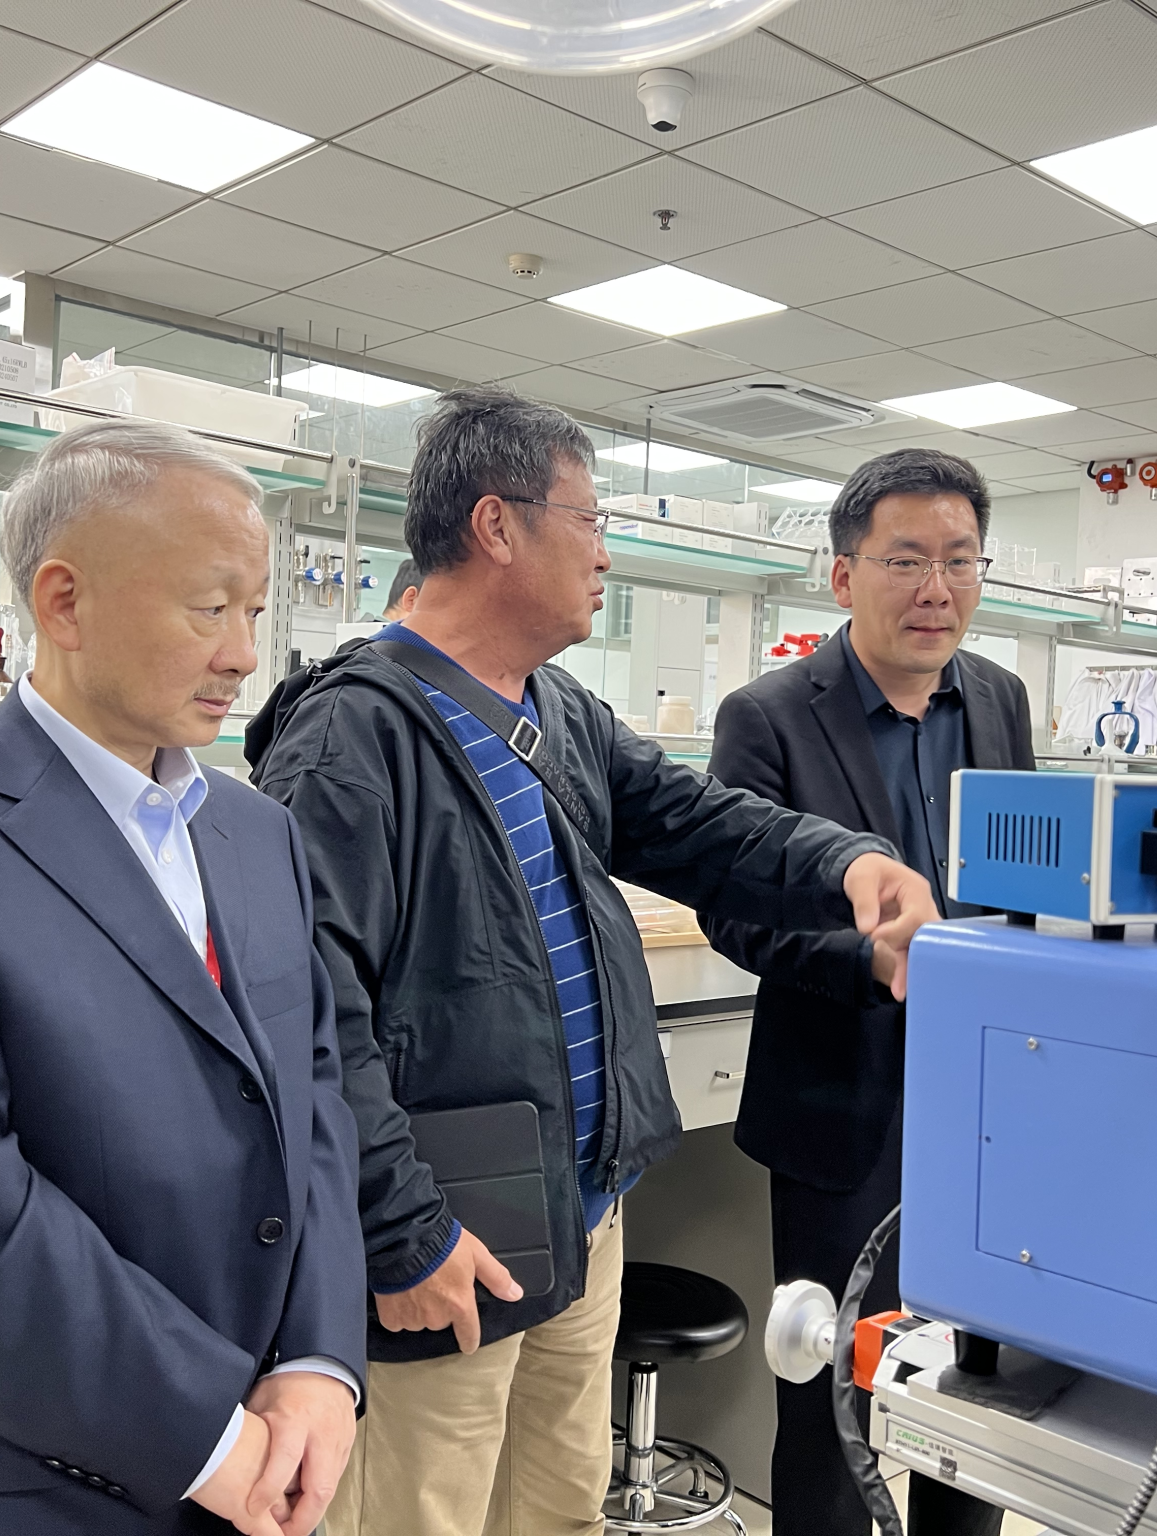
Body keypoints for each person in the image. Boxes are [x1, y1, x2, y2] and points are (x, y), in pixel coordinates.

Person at [249, 386, 938, 1536]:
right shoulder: (350, 739)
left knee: (559, 1509)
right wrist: (398, 1231)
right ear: (496, 524)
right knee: (425, 1515)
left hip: (579, 1225)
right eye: (590, 520)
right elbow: (312, 1019)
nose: (604, 553)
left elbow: (697, 824)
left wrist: (845, 862)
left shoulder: (556, 712)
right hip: (446, 1242)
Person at [0, 420, 365, 1536]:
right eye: (210, 607)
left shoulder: (256, 835)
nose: (244, 654)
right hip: (40, 1479)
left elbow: (313, 1100)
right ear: (64, 602)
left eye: (256, 611)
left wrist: (319, 1361)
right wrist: (207, 1436)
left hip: (273, 1451)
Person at [702, 448, 1034, 1536]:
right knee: (834, 1393)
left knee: (980, 1389)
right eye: (906, 559)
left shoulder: (999, 700)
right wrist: (870, 963)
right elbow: (735, 914)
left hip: (984, 1109)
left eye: (959, 559)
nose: (936, 588)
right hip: (840, 1107)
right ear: (844, 575)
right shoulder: (767, 716)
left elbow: (1024, 886)